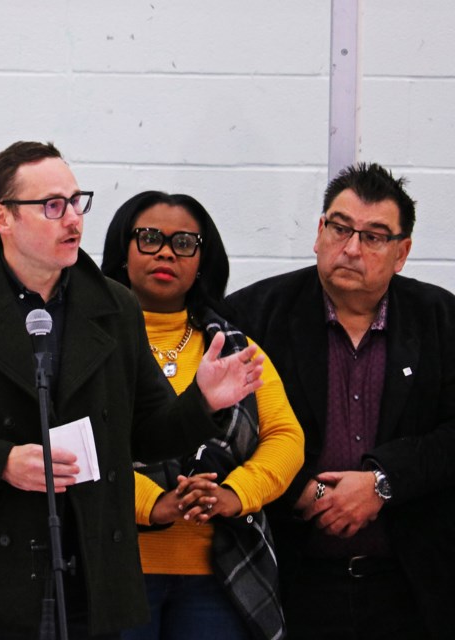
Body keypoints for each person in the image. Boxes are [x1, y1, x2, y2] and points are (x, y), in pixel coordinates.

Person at [0, 141, 265, 639]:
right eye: (53, 206)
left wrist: (202, 402)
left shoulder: (113, 307)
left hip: (90, 574)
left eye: (78, 202)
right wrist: (0, 463)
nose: (73, 219)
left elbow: (147, 434)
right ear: (3, 218)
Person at [226, 162, 455, 639]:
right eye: (340, 227)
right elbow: (223, 433)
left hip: (412, 585)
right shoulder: (252, 315)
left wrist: (383, 481)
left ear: (402, 252)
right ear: (318, 231)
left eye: (373, 236)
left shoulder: (441, 320)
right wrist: (300, 490)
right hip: (290, 578)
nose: (351, 248)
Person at [101, 191, 304, 640]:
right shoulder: (90, 341)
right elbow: (77, 443)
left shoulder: (234, 347)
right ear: (122, 249)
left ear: (201, 259)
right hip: (114, 571)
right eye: (150, 238)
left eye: (185, 243)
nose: (167, 252)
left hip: (218, 573)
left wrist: (233, 493)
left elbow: (286, 437)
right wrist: (153, 504)